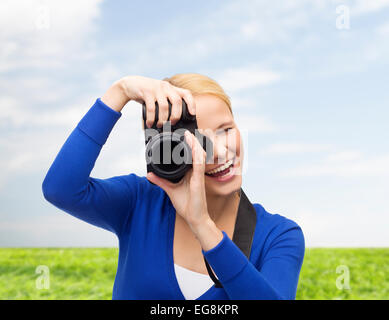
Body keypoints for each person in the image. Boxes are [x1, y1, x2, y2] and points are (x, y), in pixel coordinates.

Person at [42, 74, 305, 300]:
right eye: (199, 140)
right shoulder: (140, 202)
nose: (221, 151)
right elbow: (60, 189)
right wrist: (120, 91)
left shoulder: (279, 236)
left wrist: (202, 225)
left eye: (226, 129)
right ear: (169, 150)